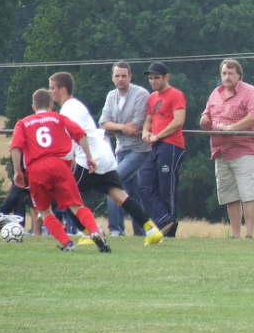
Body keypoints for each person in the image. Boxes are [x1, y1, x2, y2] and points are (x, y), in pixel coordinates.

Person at [48, 72, 164, 247]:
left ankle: (90, 232)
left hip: (89, 159)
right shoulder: (76, 105)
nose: (51, 92)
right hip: (105, 155)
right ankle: (152, 230)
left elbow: (77, 136)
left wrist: (71, 159)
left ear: (62, 89)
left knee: (66, 197)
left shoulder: (68, 109)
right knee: (120, 196)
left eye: (52, 88)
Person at [9, 88, 110, 252]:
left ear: (33, 106)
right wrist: (89, 157)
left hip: (36, 169)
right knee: (76, 206)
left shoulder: (23, 123)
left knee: (44, 211)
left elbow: (15, 147)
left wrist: (18, 171)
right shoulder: (58, 118)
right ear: (51, 105)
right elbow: (81, 135)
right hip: (59, 165)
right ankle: (95, 231)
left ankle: (66, 243)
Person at [200, 58, 254, 239]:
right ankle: (235, 235)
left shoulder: (250, 92)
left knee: (249, 194)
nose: (227, 77)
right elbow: (206, 115)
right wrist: (204, 121)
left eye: (230, 73)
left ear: (239, 75)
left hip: (246, 149)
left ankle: (250, 235)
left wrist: (232, 128)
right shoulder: (215, 93)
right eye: (224, 73)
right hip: (221, 152)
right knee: (230, 196)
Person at [99, 61, 150, 237]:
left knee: (112, 184)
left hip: (139, 150)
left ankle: (115, 230)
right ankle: (142, 231)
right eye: (117, 76)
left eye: (124, 75)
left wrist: (115, 127)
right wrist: (122, 128)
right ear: (112, 78)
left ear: (130, 76)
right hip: (120, 150)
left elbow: (137, 123)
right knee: (131, 193)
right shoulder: (111, 96)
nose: (120, 79)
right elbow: (103, 122)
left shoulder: (141, 94)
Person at [139, 61, 186, 237]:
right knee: (144, 183)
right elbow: (149, 120)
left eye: (157, 78)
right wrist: (145, 132)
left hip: (172, 145)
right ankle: (164, 220)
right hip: (155, 145)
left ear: (166, 77)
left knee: (168, 188)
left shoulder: (176, 95)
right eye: (151, 78)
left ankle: (169, 232)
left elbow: (178, 121)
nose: (153, 81)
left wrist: (158, 135)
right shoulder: (152, 98)